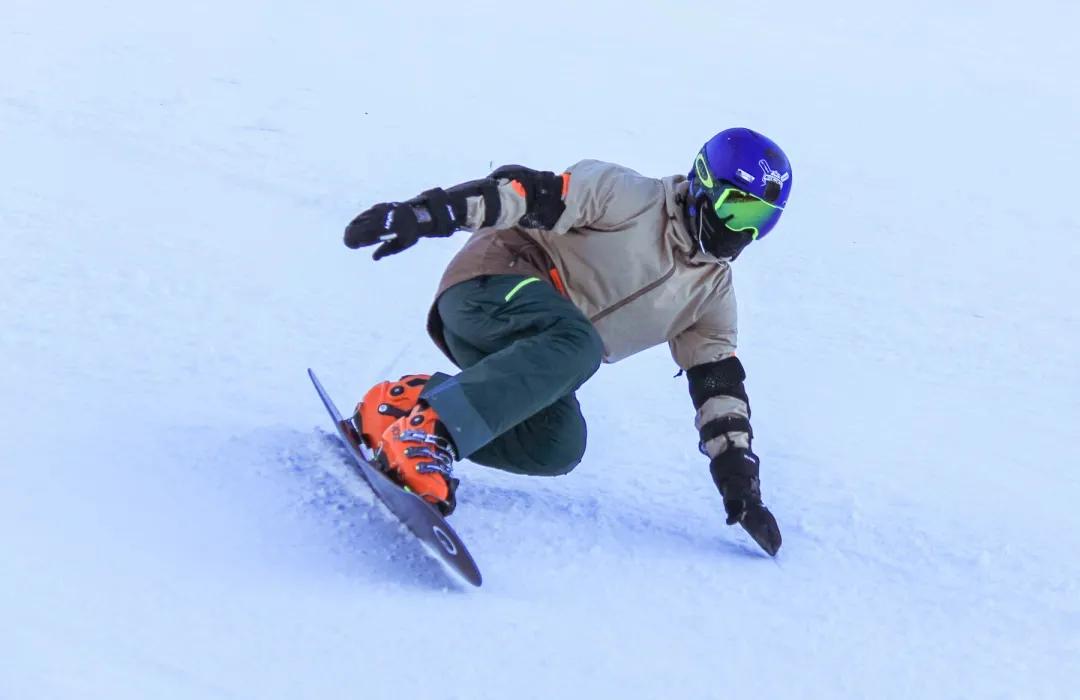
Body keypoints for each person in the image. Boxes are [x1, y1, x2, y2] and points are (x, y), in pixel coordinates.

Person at [342, 128, 790, 556]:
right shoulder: (630, 197)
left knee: (556, 444)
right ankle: (431, 431)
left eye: (759, 221)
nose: (743, 231)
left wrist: (740, 486)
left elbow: (719, 390)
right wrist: (426, 213)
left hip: (538, 348)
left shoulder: (711, 293)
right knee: (580, 344)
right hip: (490, 284)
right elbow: (522, 195)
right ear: (704, 185)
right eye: (736, 208)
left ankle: (405, 408)